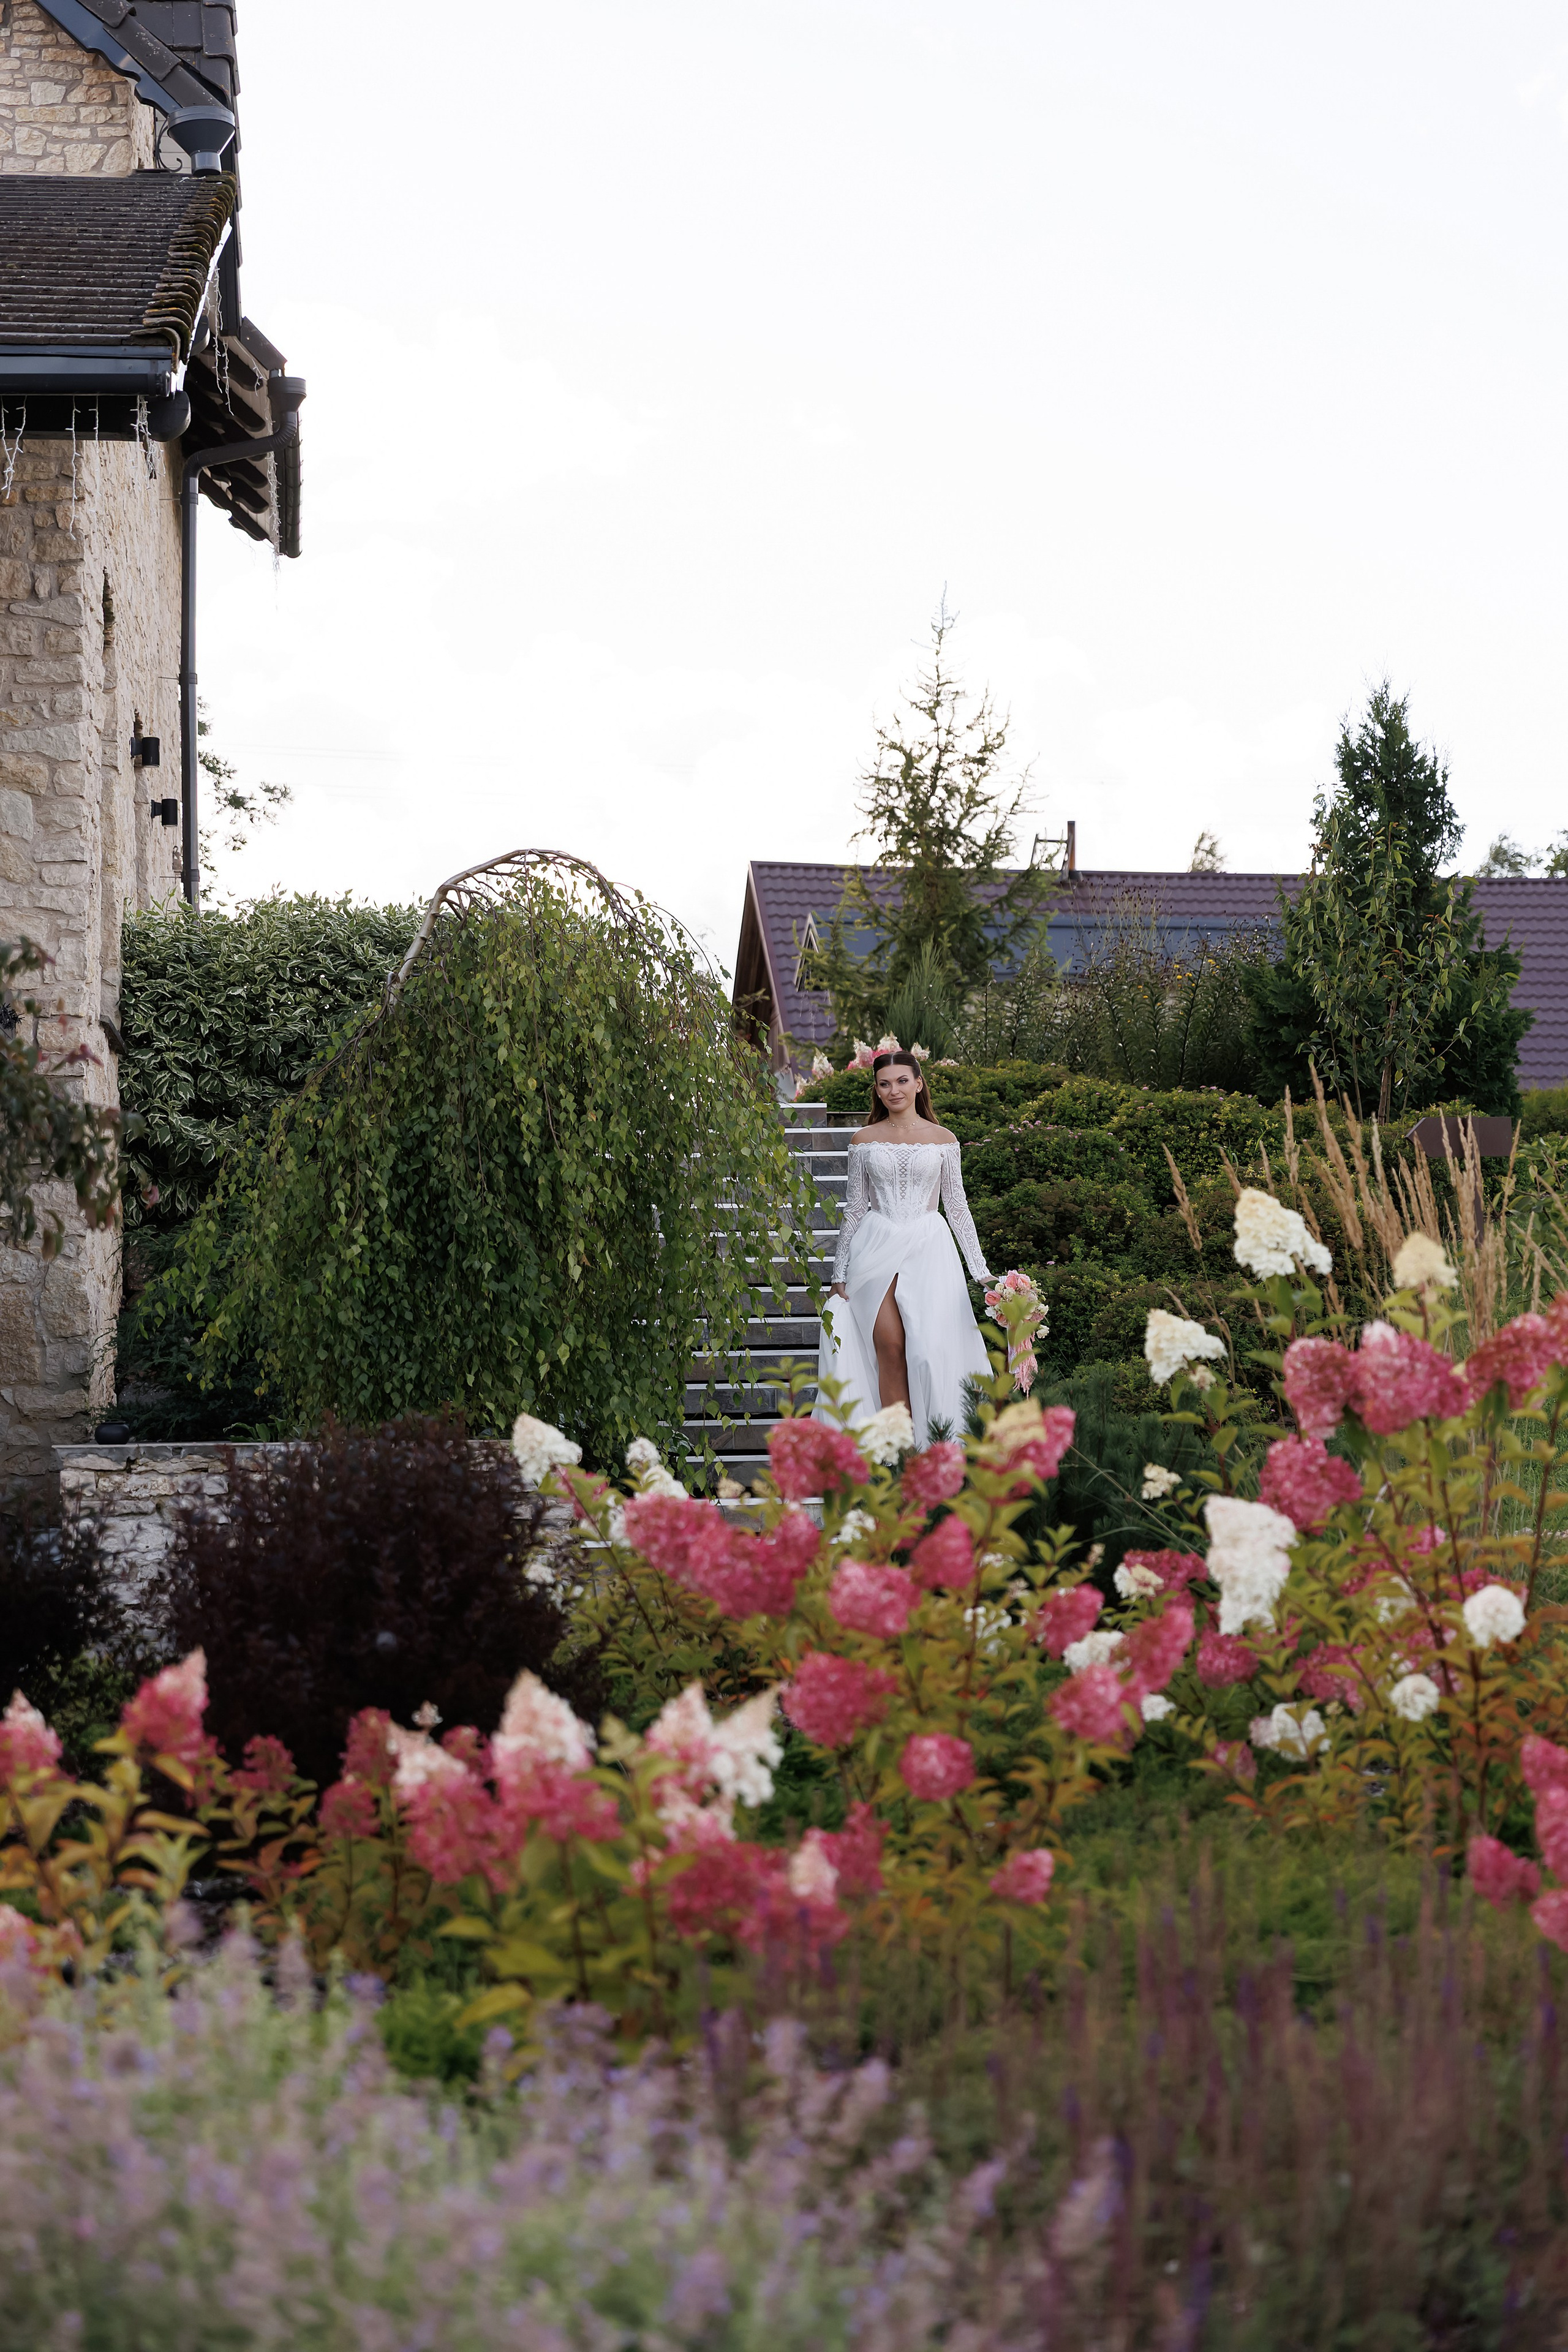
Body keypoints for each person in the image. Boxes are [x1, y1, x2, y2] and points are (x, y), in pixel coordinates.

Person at [815, 1049, 993, 1447]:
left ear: (918, 1084)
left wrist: (981, 1271)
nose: (893, 1090)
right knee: (890, 1348)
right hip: (875, 1247)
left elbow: (959, 1209)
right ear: (876, 1091)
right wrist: (839, 1274)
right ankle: (896, 1461)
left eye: (900, 1081)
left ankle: (934, 1450)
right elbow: (856, 1209)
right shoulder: (864, 1141)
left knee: (928, 1353)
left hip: (930, 1247)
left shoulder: (943, 1140)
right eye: (884, 1084)